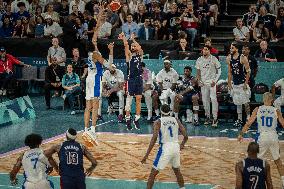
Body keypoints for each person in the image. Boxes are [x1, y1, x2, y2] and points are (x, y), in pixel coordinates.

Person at [238, 92, 284, 188]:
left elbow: (249, 123)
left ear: (263, 99)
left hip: (262, 137)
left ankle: (250, 182)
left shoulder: (257, 109)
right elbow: (283, 124)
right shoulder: (276, 110)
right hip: (273, 136)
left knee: (253, 161)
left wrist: (241, 134)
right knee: (278, 161)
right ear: (272, 100)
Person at [83, 7, 113, 146]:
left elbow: (95, 31)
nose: (96, 40)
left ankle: (85, 129)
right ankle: (93, 130)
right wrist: (111, 51)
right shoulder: (96, 54)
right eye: (95, 41)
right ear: (94, 45)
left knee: (87, 106)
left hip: (89, 78)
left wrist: (100, 14)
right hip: (95, 79)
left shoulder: (90, 53)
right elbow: (108, 65)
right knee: (95, 106)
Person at [141, 104, 188, 189]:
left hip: (165, 148)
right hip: (176, 147)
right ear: (169, 111)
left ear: (160, 111)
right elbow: (186, 136)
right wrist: (182, 145)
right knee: (177, 171)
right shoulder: (176, 120)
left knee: (153, 173)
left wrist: (146, 155)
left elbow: (154, 139)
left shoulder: (158, 122)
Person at [118, 32, 143, 130]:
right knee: (129, 101)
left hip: (139, 79)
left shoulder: (140, 54)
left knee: (139, 99)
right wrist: (125, 38)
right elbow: (126, 45)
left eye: (134, 46)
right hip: (131, 80)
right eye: (132, 46)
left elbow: (140, 47)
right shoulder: (129, 55)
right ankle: (128, 119)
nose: (133, 47)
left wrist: (133, 40)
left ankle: (136, 119)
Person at [227, 42, 251, 127]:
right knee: (238, 102)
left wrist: (246, 83)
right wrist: (229, 83)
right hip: (235, 84)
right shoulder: (229, 58)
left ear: (237, 49)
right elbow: (229, 72)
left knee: (245, 102)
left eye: (232, 48)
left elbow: (248, 71)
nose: (231, 49)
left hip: (242, 83)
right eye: (230, 48)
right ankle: (239, 119)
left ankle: (248, 119)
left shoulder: (242, 57)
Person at [196, 45, 221, 127]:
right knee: (205, 101)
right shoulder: (199, 60)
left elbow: (219, 71)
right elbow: (198, 73)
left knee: (213, 99)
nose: (204, 51)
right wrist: (199, 81)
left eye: (206, 50)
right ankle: (207, 116)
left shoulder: (214, 59)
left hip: (212, 83)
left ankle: (215, 118)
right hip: (203, 83)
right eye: (204, 50)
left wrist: (215, 80)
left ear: (209, 51)